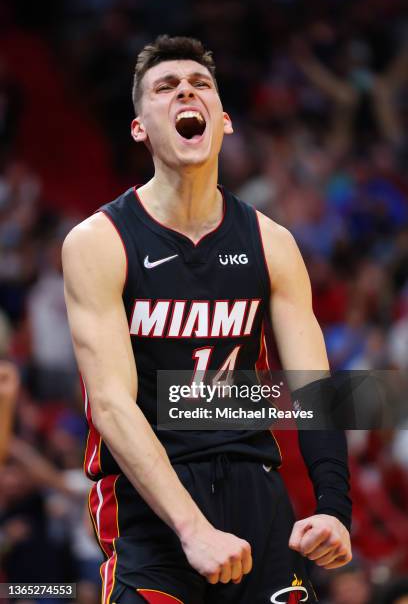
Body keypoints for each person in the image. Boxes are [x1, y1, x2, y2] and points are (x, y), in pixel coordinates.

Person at [62, 36, 352, 604]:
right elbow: (113, 404)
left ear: (224, 121)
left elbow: (317, 389)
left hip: (255, 493)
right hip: (151, 503)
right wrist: (192, 528)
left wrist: (334, 508)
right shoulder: (99, 241)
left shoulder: (273, 242)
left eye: (199, 84)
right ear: (139, 127)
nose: (184, 92)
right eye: (164, 88)